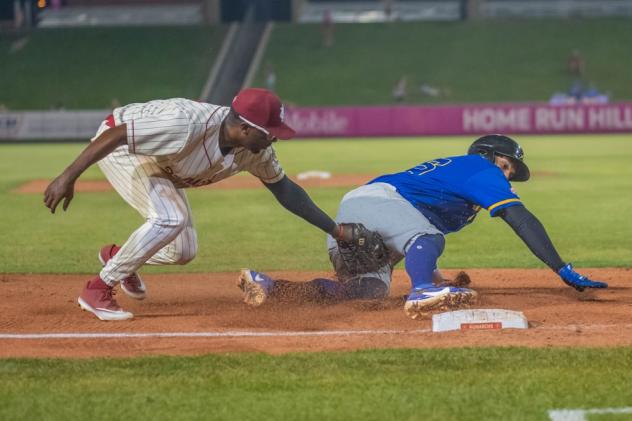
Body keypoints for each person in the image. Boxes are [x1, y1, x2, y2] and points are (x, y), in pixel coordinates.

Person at [43, 88, 361, 321]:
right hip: (123, 148)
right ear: (245, 128)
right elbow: (116, 135)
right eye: (270, 133)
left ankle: (117, 257)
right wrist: (68, 176)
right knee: (169, 219)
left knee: (183, 251)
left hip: (160, 160)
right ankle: (97, 289)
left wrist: (336, 230)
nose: (274, 139)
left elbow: (286, 191)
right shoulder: (185, 124)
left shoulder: (255, 150)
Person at [238, 135, 608, 320]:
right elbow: (520, 218)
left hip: (365, 210)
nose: (507, 175)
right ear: (489, 157)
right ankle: (421, 293)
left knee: (363, 292)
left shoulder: (457, 174)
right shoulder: (480, 170)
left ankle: (271, 287)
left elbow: (409, 227)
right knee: (428, 237)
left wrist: (439, 275)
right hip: (380, 202)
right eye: (507, 165)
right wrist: (561, 268)